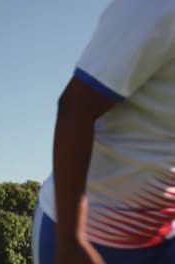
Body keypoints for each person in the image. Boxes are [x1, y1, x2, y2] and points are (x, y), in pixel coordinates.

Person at [32, 1, 175, 264]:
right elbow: (75, 108)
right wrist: (71, 242)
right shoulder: (158, 8)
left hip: (162, 233)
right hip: (88, 233)